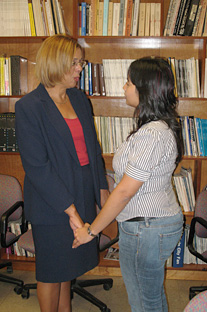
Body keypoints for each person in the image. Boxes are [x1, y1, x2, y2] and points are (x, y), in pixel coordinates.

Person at [73, 57, 184, 312]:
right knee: (147, 297)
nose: (124, 87)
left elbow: (124, 191)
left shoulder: (152, 134)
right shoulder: (154, 128)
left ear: (143, 90)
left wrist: (91, 232)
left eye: (128, 83)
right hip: (147, 224)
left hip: (147, 227)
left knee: (144, 300)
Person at [15, 34, 109, 312]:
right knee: (51, 271)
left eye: (81, 63)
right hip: (51, 202)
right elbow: (37, 167)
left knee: (68, 267)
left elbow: (93, 150)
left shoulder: (80, 100)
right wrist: (71, 212)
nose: (80, 69)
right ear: (56, 63)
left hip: (81, 192)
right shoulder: (29, 107)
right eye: (75, 64)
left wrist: (102, 189)